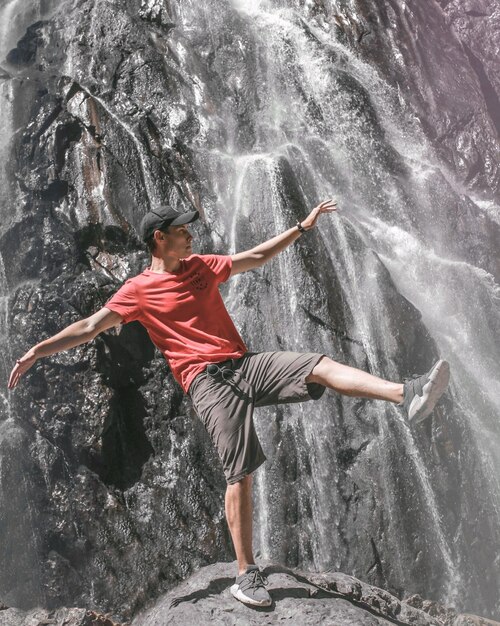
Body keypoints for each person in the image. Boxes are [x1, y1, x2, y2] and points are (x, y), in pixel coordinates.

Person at [8, 201, 450, 608]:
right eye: (182, 230)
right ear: (159, 238)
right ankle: (245, 573)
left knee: (318, 365)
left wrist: (301, 227)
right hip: (207, 384)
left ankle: (406, 396)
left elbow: (254, 258)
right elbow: (89, 326)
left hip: (245, 364)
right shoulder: (138, 290)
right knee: (239, 472)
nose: (191, 237)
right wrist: (35, 352)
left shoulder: (201, 266)